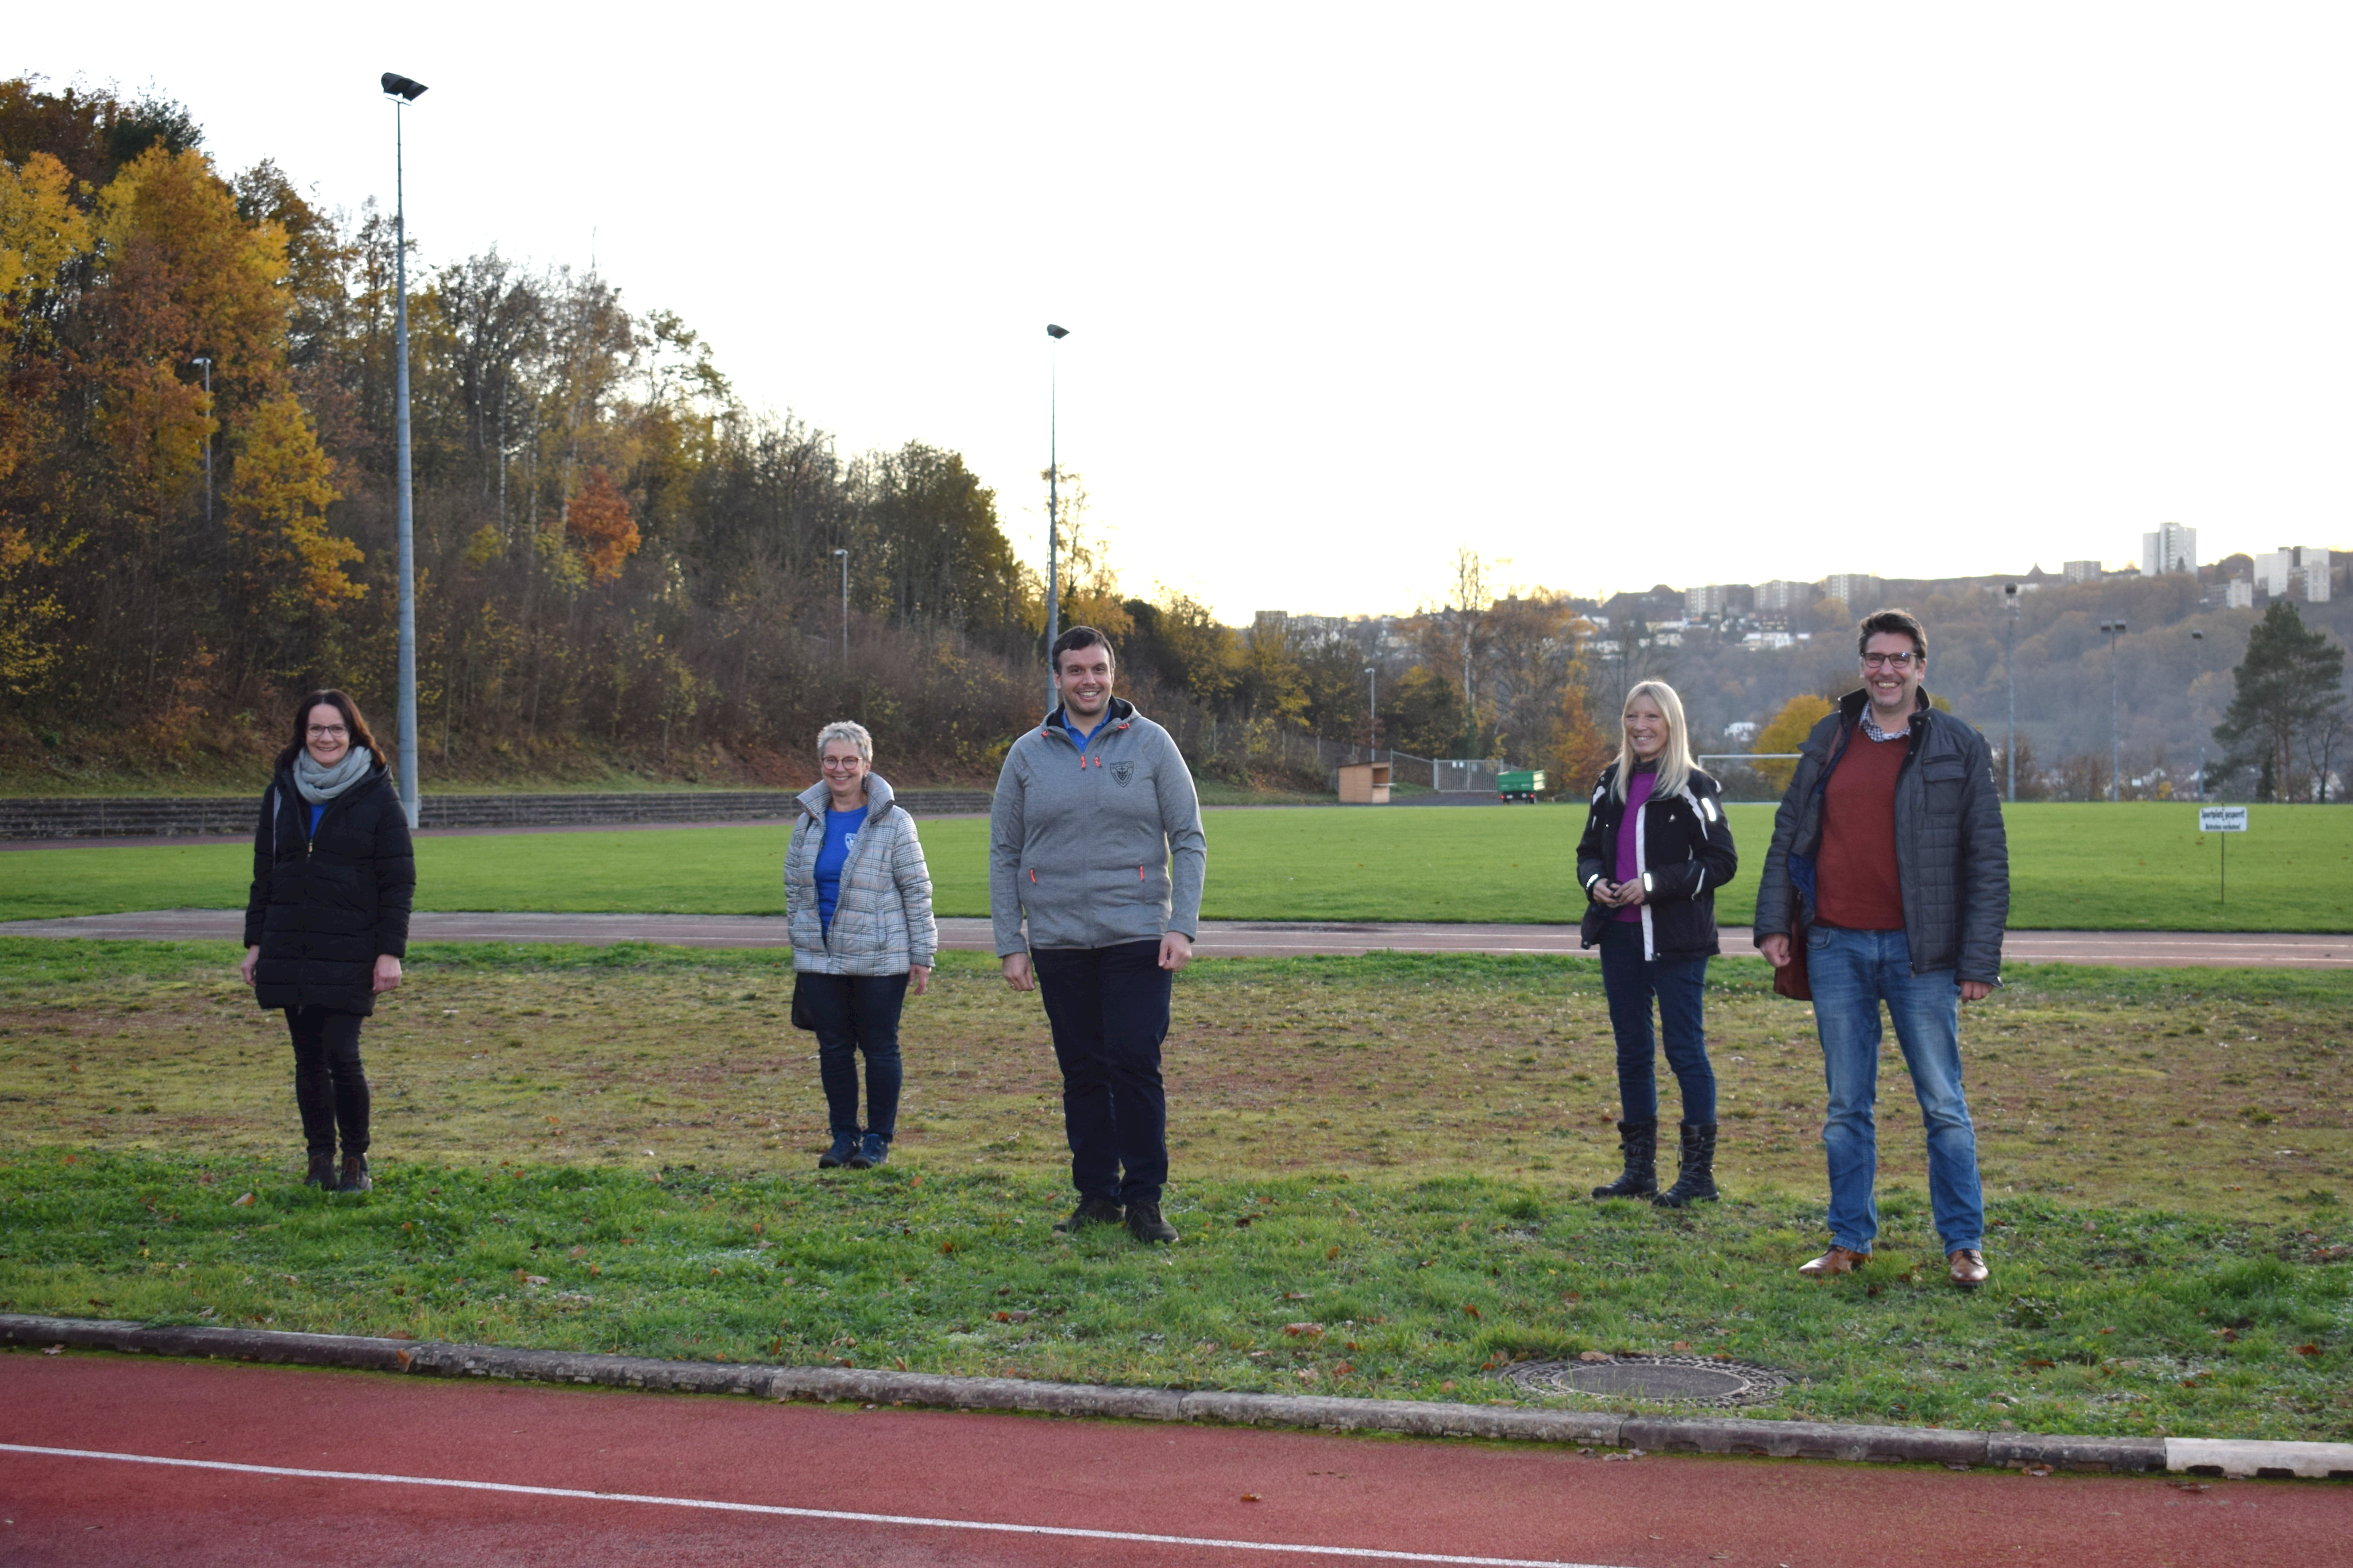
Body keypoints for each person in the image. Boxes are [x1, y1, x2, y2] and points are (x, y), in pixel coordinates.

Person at [1754, 609, 2009, 1288]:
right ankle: (1848, 1240)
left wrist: (1978, 961)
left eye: (1900, 659)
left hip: (1921, 955)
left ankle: (1963, 1246)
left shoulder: (1956, 745)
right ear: (1862, 664)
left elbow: (1987, 859)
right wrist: (1775, 922)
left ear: (1921, 667)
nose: (1886, 670)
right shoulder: (1829, 740)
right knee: (1846, 1105)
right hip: (1836, 944)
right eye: (1875, 658)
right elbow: (1789, 838)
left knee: (1943, 1103)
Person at [990, 625, 1206, 1244]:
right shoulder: (1026, 754)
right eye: (1076, 670)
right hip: (1057, 941)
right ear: (1056, 679)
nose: (1089, 680)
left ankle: (1144, 1200)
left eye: (1099, 669)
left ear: (1113, 674)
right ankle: (1096, 1195)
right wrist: (1012, 940)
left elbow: (1188, 837)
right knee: (1082, 1071)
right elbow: (1004, 850)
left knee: (1135, 1063)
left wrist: (1180, 927)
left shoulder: (1152, 745)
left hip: (1137, 936)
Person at [240, 690, 415, 1193]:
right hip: (291, 943)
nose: (326, 738)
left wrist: (390, 952)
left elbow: (397, 881)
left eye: (336, 728)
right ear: (303, 734)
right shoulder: (281, 792)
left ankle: (356, 1161)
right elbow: (264, 874)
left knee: (342, 1054)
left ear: (353, 732)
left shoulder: (377, 793)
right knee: (308, 1059)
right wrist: (256, 944)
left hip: (351, 947)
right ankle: (319, 1160)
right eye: (316, 729)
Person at [1576, 680, 1738, 1206]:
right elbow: (1587, 851)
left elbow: (1722, 863)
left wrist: (1652, 885)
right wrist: (1594, 882)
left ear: (1672, 724)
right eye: (1631, 716)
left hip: (1676, 941)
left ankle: (1698, 1177)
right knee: (1632, 1052)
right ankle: (1639, 1172)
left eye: (1652, 717)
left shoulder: (1695, 786)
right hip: (1618, 938)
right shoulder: (1610, 783)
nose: (1640, 727)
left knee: (1685, 1051)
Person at [784, 720, 937, 1171]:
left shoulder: (894, 821)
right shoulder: (808, 822)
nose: (840, 768)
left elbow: (917, 889)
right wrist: (802, 943)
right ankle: (843, 1136)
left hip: (880, 958)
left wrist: (921, 955)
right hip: (821, 959)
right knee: (833, 1048)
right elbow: (795, 889)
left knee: (879, 1047)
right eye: (831, 760)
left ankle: (877, 1140)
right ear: (821, 764)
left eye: (850, 760)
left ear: (867, 765)